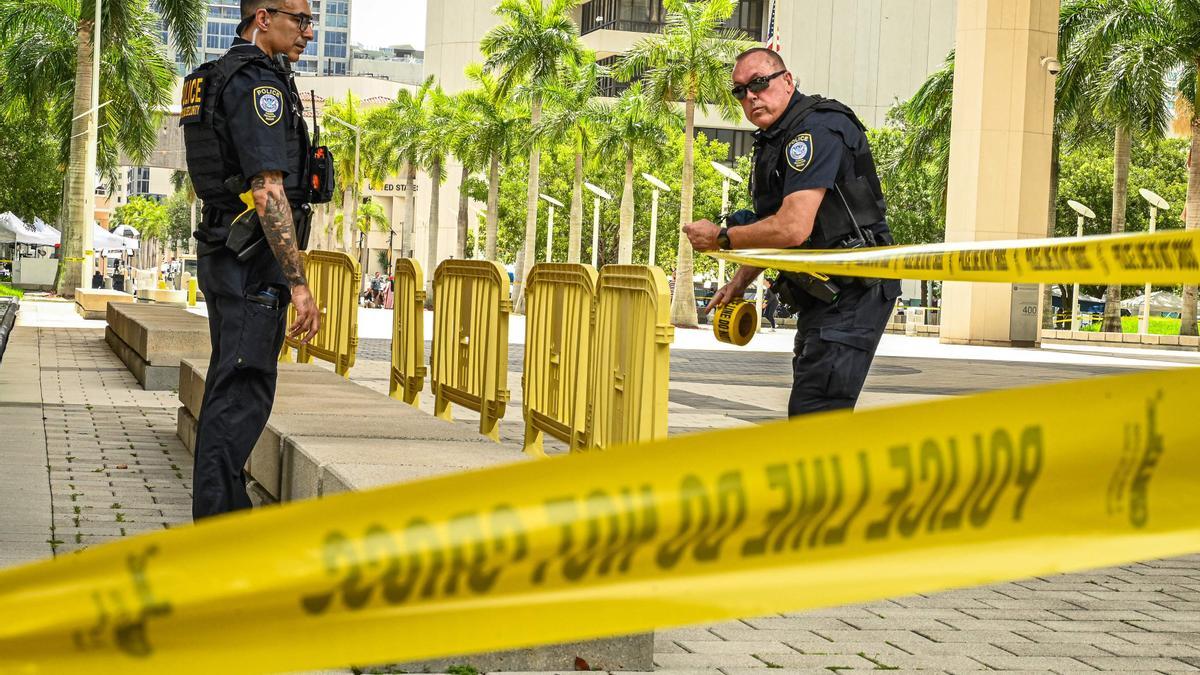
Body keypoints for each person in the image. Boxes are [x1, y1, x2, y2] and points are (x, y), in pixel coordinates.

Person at [683, 48, 900, 417]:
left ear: (786, 81)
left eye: (759, 83)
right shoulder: (775, 139)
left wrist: (723, 237)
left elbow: (793, 227)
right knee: (814, 407)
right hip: (824, 294)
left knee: (816, 409)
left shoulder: (815, 130)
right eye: (740, 91)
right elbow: (771, 225)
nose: (750, 96)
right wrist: (738, 283)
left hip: (855, 291)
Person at [181, 0, 321, 520]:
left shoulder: (214, 76)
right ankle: (219, 534)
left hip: (225, 252)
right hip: (250, 262)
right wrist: (299, 284)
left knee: (230, 387)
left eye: (311, 22)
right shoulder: (256, 83)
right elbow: (267, 190)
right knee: (241, 394)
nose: (307, 32)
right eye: (299, 20)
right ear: (263, 18)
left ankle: (223, 522)